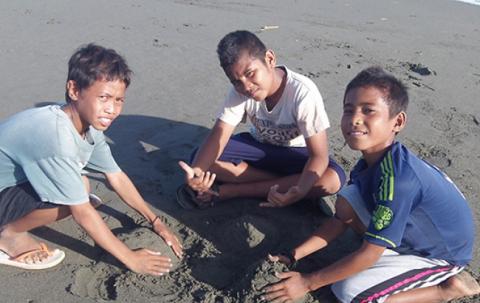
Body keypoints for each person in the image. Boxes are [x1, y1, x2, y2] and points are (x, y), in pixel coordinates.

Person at [263, 67, 480, 302]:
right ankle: (386, 246)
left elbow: (369, 255)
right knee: (347, 200)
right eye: (349, 110)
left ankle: (446, 289)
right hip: (414, 227)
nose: (355, 119)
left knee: (351, 293)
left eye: (368, 111)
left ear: (398, 121)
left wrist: (308, 282)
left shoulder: (398, 180)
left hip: (439, 253)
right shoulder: (371, 161)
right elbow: (340, 219)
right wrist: (294, 254)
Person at [0, 43, 182, 274]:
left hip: (8, 182)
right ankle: (9, 235)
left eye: (119, 100)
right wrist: (131, 259)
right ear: (74, 90)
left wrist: (155, 221)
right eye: (104, 97)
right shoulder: (56, 137)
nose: (112, 109)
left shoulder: (84, 122)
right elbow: (82, 212)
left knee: (81, 186)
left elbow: (115, 176)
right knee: (74, 200)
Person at [177, 30, 345, 209]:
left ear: (270, 59)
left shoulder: (302, 93)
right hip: (260, 147)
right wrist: (197, 173)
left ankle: (231, 191)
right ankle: (286, 186)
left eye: (250, 74)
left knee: (332, 179)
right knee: (199, 159)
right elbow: (219, 134)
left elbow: (318, 155)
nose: (246, 86)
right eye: (236, 81)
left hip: (297, 154)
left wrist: (301, 189)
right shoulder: (239, 93)